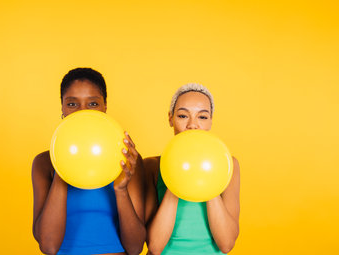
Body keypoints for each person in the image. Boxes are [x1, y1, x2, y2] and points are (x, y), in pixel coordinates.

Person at [32, 68, 146, 255]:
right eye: (72, 104)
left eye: (92, 103)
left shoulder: (128, 160)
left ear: (105, 107)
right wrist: (64, 165)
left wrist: (121, 189)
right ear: (62, 108)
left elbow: (135, 248)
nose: (83, 112)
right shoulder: (44, 162)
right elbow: (49, 246)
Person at [144, 83, 240, 255]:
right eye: (183, 116)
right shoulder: (151, 166)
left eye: (202, 117)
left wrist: (209, 171)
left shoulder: (229, 164)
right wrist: (177, 171)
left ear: (211, 121)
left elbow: (226, 244)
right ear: (170, 118)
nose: (193, 125)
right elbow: (155, 246)